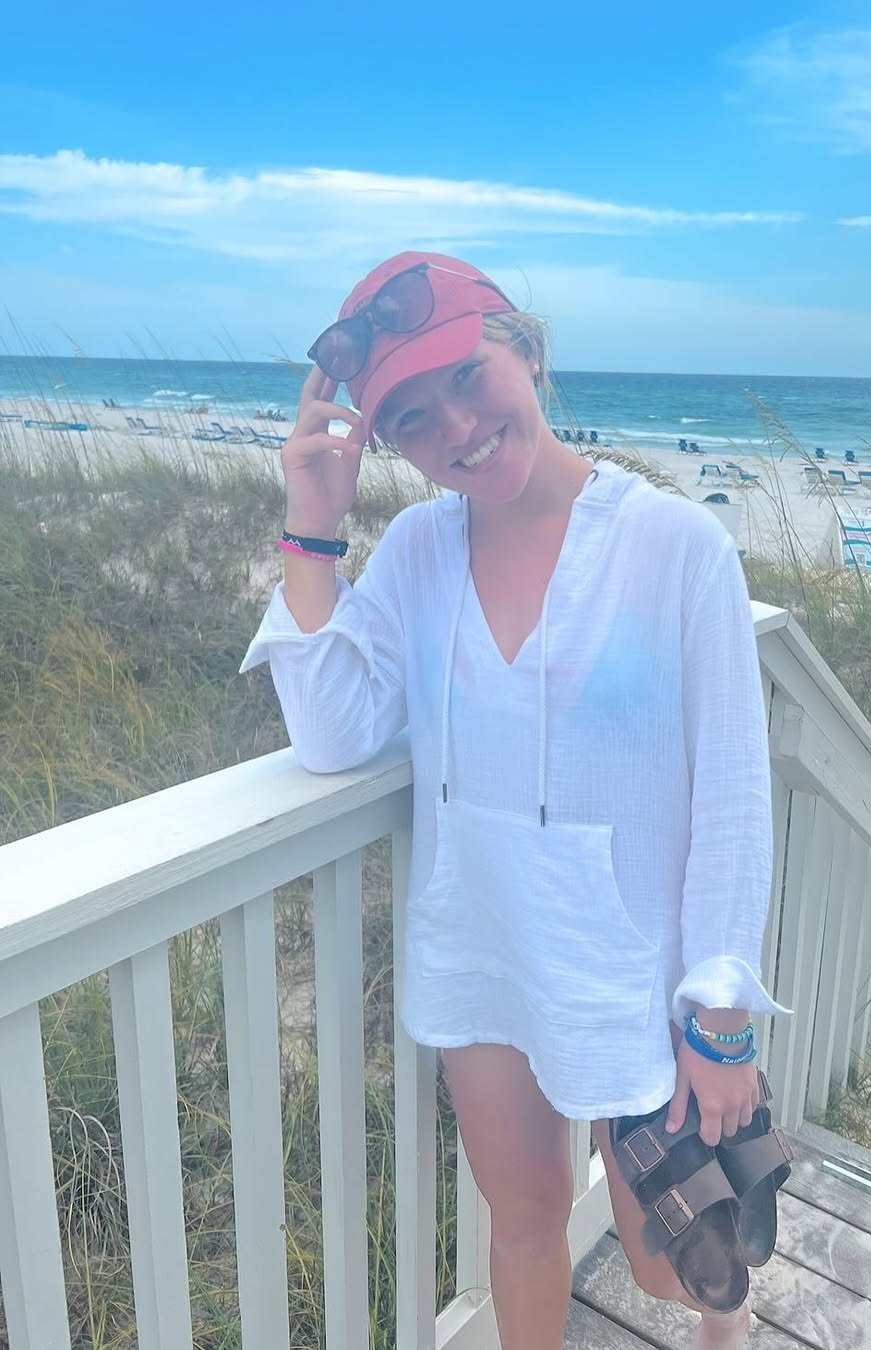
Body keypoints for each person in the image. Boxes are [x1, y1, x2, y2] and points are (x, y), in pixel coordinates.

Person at [240, 252, 791, 1350]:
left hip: (633, 968)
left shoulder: (674, 546)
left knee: (677, 1261)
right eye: (410, 415)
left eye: (466, 376)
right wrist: (312, 524)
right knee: (526, 1221)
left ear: (527, 352)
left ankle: (728, 1334)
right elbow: (334, 732)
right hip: (484, 949)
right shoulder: (417, 549)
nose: (454, 426)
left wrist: (722, 1016)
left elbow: (733, 792)